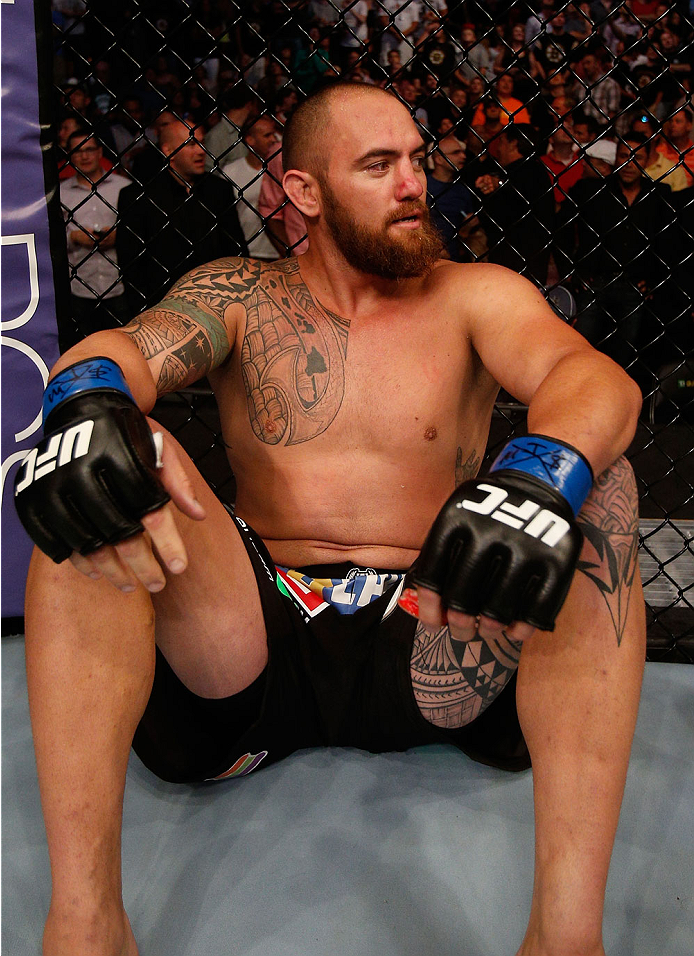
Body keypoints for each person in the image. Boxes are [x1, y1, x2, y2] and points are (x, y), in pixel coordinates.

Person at [17, 83, 645, 956]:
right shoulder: (238, 293)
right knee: (105, 464)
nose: (413, 184)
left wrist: (540, 476)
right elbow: (123, 350)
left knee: (599, 483)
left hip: (437, 627)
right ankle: (86, 924)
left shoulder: (473, 294)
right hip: (252, 645)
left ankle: (566, 938)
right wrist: (83, 403)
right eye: (378, 165)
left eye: (417, 160)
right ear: (306, 191)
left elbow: (593, 378)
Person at [565, 133, 673, 379]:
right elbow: (563, 231)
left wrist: (654, 279)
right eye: (624, 156)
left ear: (647, 161)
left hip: (635, 286)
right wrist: (574, 271)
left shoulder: (659, 195)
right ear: (616, 159)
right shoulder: (593, 190)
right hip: (594, 281)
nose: (629, 163)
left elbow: (666, 242)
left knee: (624, 356)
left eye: (637, 158)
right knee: (578, 349)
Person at [117, 117, 248, 314]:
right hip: (162, 307)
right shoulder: (139, 197)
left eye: (202, 142)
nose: (201, 150)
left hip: (218, 303)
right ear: (169, 151)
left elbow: (236, 247)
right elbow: (132, 265)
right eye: (191, 144)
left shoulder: (219, 190)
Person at [60, 129, 132, 349]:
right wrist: (74, 236)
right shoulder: (60, 194)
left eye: (89, 149)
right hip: (79, 286)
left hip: (119, 283)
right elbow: (49, 239)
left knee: (125, 347)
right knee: (84, 350)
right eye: (77, 151)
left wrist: (120, 237)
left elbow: (140, 230)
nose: (84, 156)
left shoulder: (124, 187)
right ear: (69, 156)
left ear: (100, 151)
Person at [473, 124, 555, 286]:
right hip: (516, 262)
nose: (498, 148)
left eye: (502, 141)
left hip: (519, 262)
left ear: (514, 143)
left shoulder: (529, 172)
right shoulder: (529, 172)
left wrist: (498, 184)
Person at [222, 115, 282, 260]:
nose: (274, 139)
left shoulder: (281, 170)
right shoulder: (230, 172)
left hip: (279, 252)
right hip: (246, 252)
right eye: (267, 135)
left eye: (274, 134)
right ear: (250, 140)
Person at [425, 133, 475, 261]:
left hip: (455, 259)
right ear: (439, 159)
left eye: (463, 152)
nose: (463, 156)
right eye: (455, 153)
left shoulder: (463, 190)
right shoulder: (423, 187)